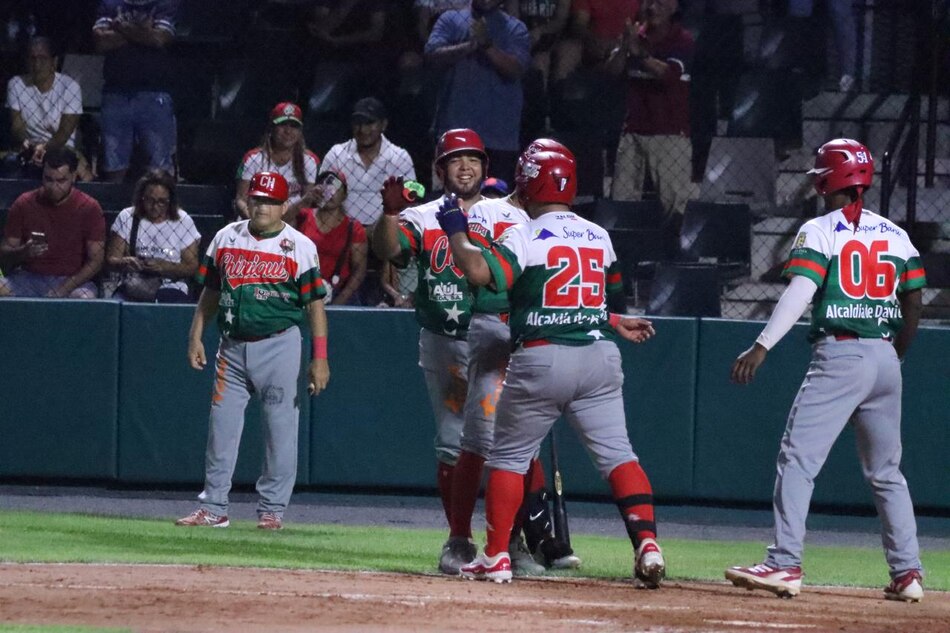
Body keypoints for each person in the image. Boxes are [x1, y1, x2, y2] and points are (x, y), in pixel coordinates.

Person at [437, 148, 665, 586]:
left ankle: (497, 556)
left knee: (507, 458)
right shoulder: (599, 234)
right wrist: (613, 320)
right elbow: (602, 296)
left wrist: (456, 233)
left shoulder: (527, 232)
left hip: (542, 357)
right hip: (598, 356)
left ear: (527, 183)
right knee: (620, 457)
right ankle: (647, 543)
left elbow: (483, 274)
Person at [725, 138, 927, 602]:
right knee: (887, 472)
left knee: (798, 459)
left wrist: (762, 345)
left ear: (824, 180)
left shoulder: (821, 229)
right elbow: (914, 299)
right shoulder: (896, 234)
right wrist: (896, 353)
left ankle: (783, 563)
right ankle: (908, 574)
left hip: (841, 353)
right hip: (883, 356)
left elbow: (801, 290)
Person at [447, 138, 584, 576]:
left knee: (524, 442)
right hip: (495, 327)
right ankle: (459, 539)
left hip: (537, 331)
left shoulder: (560, 219)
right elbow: (485, 276)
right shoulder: (488, 211)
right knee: (480, 439)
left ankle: (519, 540)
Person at [176, 171, 330, 531]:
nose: (262, 206)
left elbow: (316, 306)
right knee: (221, 428)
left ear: (284, 205)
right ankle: (214, 507)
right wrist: (195, 335)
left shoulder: (299, 246)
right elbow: (211, 292)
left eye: (271, 201)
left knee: (280, 430)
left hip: (280, 344)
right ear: (247, 200)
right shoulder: (226, 237)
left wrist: (319, 358)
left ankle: (272, 510)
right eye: (257, 199)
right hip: (231, 346)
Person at [372, 128, 486, 573]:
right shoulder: (422, 216)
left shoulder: (504, 213)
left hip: (496, 341)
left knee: (512, 445)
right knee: (453, 442)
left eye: (473, 159)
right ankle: (459, 540)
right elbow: (389, 249)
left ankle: (512, 543)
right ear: (440, 170)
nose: (465, 166)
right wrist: (389, 211)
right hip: (446, 346)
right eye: (456, 160)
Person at [607, 0, 695, 232]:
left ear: (674, 7)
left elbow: (669, 75)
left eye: (660, 2)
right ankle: (624, 255)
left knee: (674, 208)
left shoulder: (682, 39)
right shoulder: (635, 36)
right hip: (633, 130)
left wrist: (640, 55)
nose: (653, 7)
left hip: (669, 132)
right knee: (622, 201)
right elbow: (612, 71)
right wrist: (626, 46)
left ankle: (673, 256)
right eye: (649, 1)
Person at [424, 0, 530, 183]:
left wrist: (487, 45)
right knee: (455, 203)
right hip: (455, 129)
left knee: (496, 203)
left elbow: (516, 69)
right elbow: (432, 54)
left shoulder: (515, 28)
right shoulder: (450, 19)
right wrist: (469, 46)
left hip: (499, 135)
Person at [92, 0, 180, 182]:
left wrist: (120, 28)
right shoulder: (110, 3)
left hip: (155, 93)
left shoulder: (165, 3)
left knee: (160, 165)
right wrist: (143, 32)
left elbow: (160, 39)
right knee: (114, 163)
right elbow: (101, 43)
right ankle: (115, 209)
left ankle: (164, 209)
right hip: (115, 92)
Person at [0, 146, 104, 298]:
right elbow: (4, 253)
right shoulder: (24, 203)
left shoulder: (90, 208)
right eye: (48, 179)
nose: (54, 187)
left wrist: (64, 288)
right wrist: (23, 252)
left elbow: (96, 261)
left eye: (61, 180)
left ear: (73, 176)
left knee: (84, 297)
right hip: (28, 276)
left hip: (72, 279)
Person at [320, 98, 417, 230]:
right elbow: (323, 199)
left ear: (383, 125)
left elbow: (411, 200)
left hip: (385, 232)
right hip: (341, 232)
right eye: (358, 123)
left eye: (370, 123)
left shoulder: (399, 157)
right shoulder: (337, 154)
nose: (363, 130)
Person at [105, 168, 200, 303]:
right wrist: (127, 262)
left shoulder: (183, 220)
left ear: (170, 201)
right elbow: (111, 259)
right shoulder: (127, 216)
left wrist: (164, 267)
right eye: (149, 200)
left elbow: (191, 266)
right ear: (141, 198)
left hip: (171, 285)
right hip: (134, 283)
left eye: (162, 202)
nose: (155, 207)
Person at [5, 36, 92, 181]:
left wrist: (44, 148)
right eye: (32, 58)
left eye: (42, 58)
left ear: (54, 62)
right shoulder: (16, 84)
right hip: (29, 147)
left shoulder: (69, 87)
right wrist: (26, 142)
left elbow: (64, 133)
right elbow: (17, 126)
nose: (37, 64)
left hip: (61, 147)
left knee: (82, 173)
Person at [234, 102, 320, 221]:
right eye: (283, 124)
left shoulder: (310, 161)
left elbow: (307, 204)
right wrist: (255, 222)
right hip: (254, 219)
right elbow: (240, 200)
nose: (288, 131)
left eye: (294, 126)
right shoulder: (253, 158)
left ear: (300, 131)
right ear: (272, 128)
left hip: (291, 223)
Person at [295, 169, 368, 306]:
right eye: (325, 186)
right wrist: (305, 200)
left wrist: (339, 302)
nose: (330, 192)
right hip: (302, 285)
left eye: (336, 187)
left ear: (344, 195)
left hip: (338, 291)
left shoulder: (354, 227)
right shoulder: (304, 216)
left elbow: (359, 270)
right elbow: (280, 223)